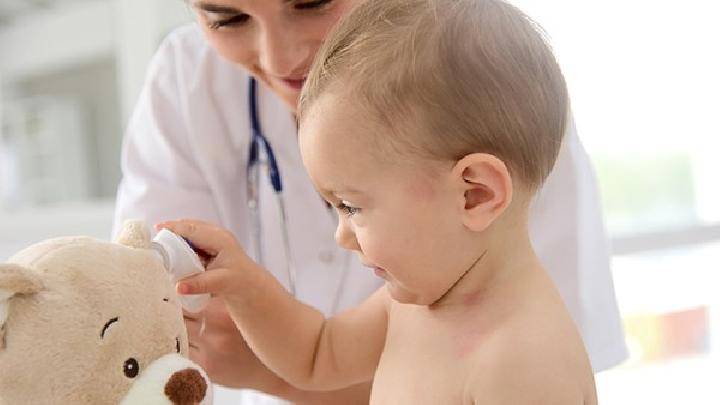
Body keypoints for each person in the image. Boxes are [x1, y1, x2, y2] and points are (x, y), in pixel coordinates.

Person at [113, 0, 626, 403]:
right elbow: (315, 355)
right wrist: (243, 281)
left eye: (352, 208)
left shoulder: (521, 359)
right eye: (227, 17)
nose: (341, 234)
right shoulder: (417, 301)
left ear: (475, 193)